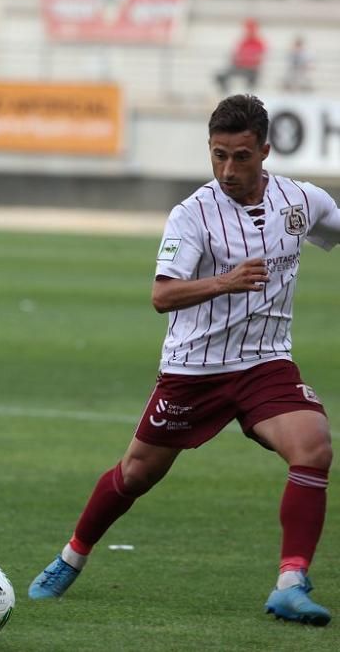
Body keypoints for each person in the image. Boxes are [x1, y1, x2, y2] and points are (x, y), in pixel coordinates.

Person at [28, 94, 335, 627]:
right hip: (195, 369)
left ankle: (290, 581)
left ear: (265, 150)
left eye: (240, 156)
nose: (227, 169)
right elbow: (162, 296)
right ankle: (71, 556)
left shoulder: (302, 201)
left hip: (266, 363)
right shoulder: (192, 213)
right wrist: (227, 281)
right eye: (217, 155)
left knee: (314, 447)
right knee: (136, 474)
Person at [215, 18, 266, 93]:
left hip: (251, 69)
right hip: (239, 67)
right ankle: (226, 92)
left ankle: (249, 93)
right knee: (221, 75)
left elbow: (258, 58)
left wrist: (247, 59)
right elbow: (235, 55)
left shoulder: (259, 43)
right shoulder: (243, 41)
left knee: (252, 79)